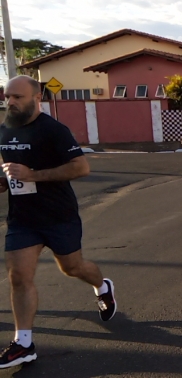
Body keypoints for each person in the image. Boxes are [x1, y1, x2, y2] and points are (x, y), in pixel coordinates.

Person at [0, 76, 117, 369]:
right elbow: (10, 169)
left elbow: (81, 167)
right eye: (7, 96)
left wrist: (33, 175)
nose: (10, 102)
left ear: (36, 98)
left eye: (17, 97)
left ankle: (102, 286)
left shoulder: (53, 130)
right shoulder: (4, 129)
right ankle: (23, 344)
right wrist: (4, 181)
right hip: (22, 218)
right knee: (18, 276)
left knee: (73, 268)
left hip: (58, 216)